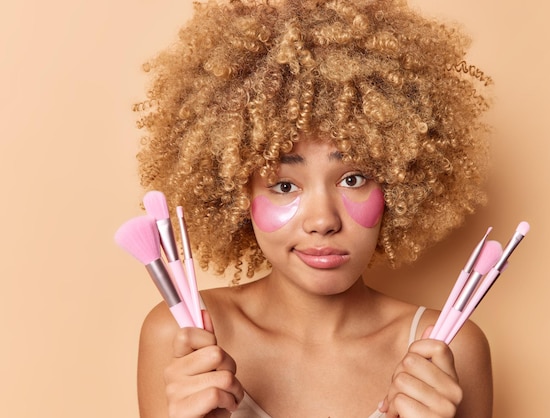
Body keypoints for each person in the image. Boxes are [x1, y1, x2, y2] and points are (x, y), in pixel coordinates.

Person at [134, 0, 493, 417]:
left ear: (400, 182)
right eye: (285, 185)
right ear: (236, 194)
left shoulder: (448, 346)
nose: (323, 221)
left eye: (353, 179)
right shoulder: (180, 336)